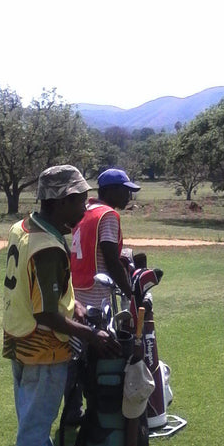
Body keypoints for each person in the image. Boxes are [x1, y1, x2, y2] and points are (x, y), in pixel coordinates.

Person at [3, 164, 121, 446]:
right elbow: (47, 313)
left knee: (32, 418)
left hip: (18, 339)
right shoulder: (48, 247)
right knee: (36, 426)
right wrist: (90, 335)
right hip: (43, 348)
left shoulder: (22, 228)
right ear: (60, 201)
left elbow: (45, 293)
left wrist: (77, 309)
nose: (84, 210)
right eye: (80, 202)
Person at [65, 168, 141, 423]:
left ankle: (73, 411)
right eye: (125, 190)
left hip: (76, 291)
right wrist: (130, 291)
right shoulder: (108, 215)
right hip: (96, 294)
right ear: (109, 191)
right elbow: (109, 258)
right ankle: (97, 407)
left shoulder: (85, 211)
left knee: (75, 354)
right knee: (96, 355)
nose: (129, 195)